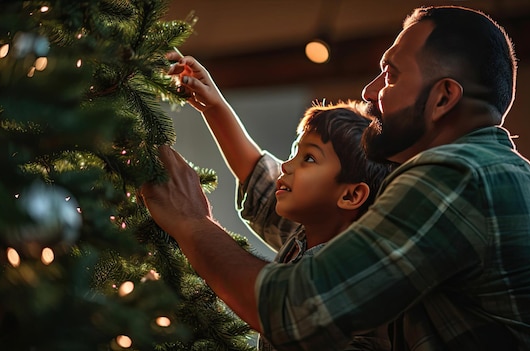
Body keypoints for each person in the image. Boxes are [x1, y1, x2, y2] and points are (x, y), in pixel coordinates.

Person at [141, 5, 530, 351]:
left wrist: (192, 222)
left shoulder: (459, 176)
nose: (370, 91)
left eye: (392, 75)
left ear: (443, 98)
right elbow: (284, 205)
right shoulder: (471, 173)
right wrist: (215, 108)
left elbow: (298, 308)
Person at [166, 53, 394, 350]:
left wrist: (192, 221)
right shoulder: (304, 234)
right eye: (294, 152)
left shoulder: (352, 274)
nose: (286, 165)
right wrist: (214, 106)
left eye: (309, 158)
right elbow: (254, 171)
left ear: (351, 195)